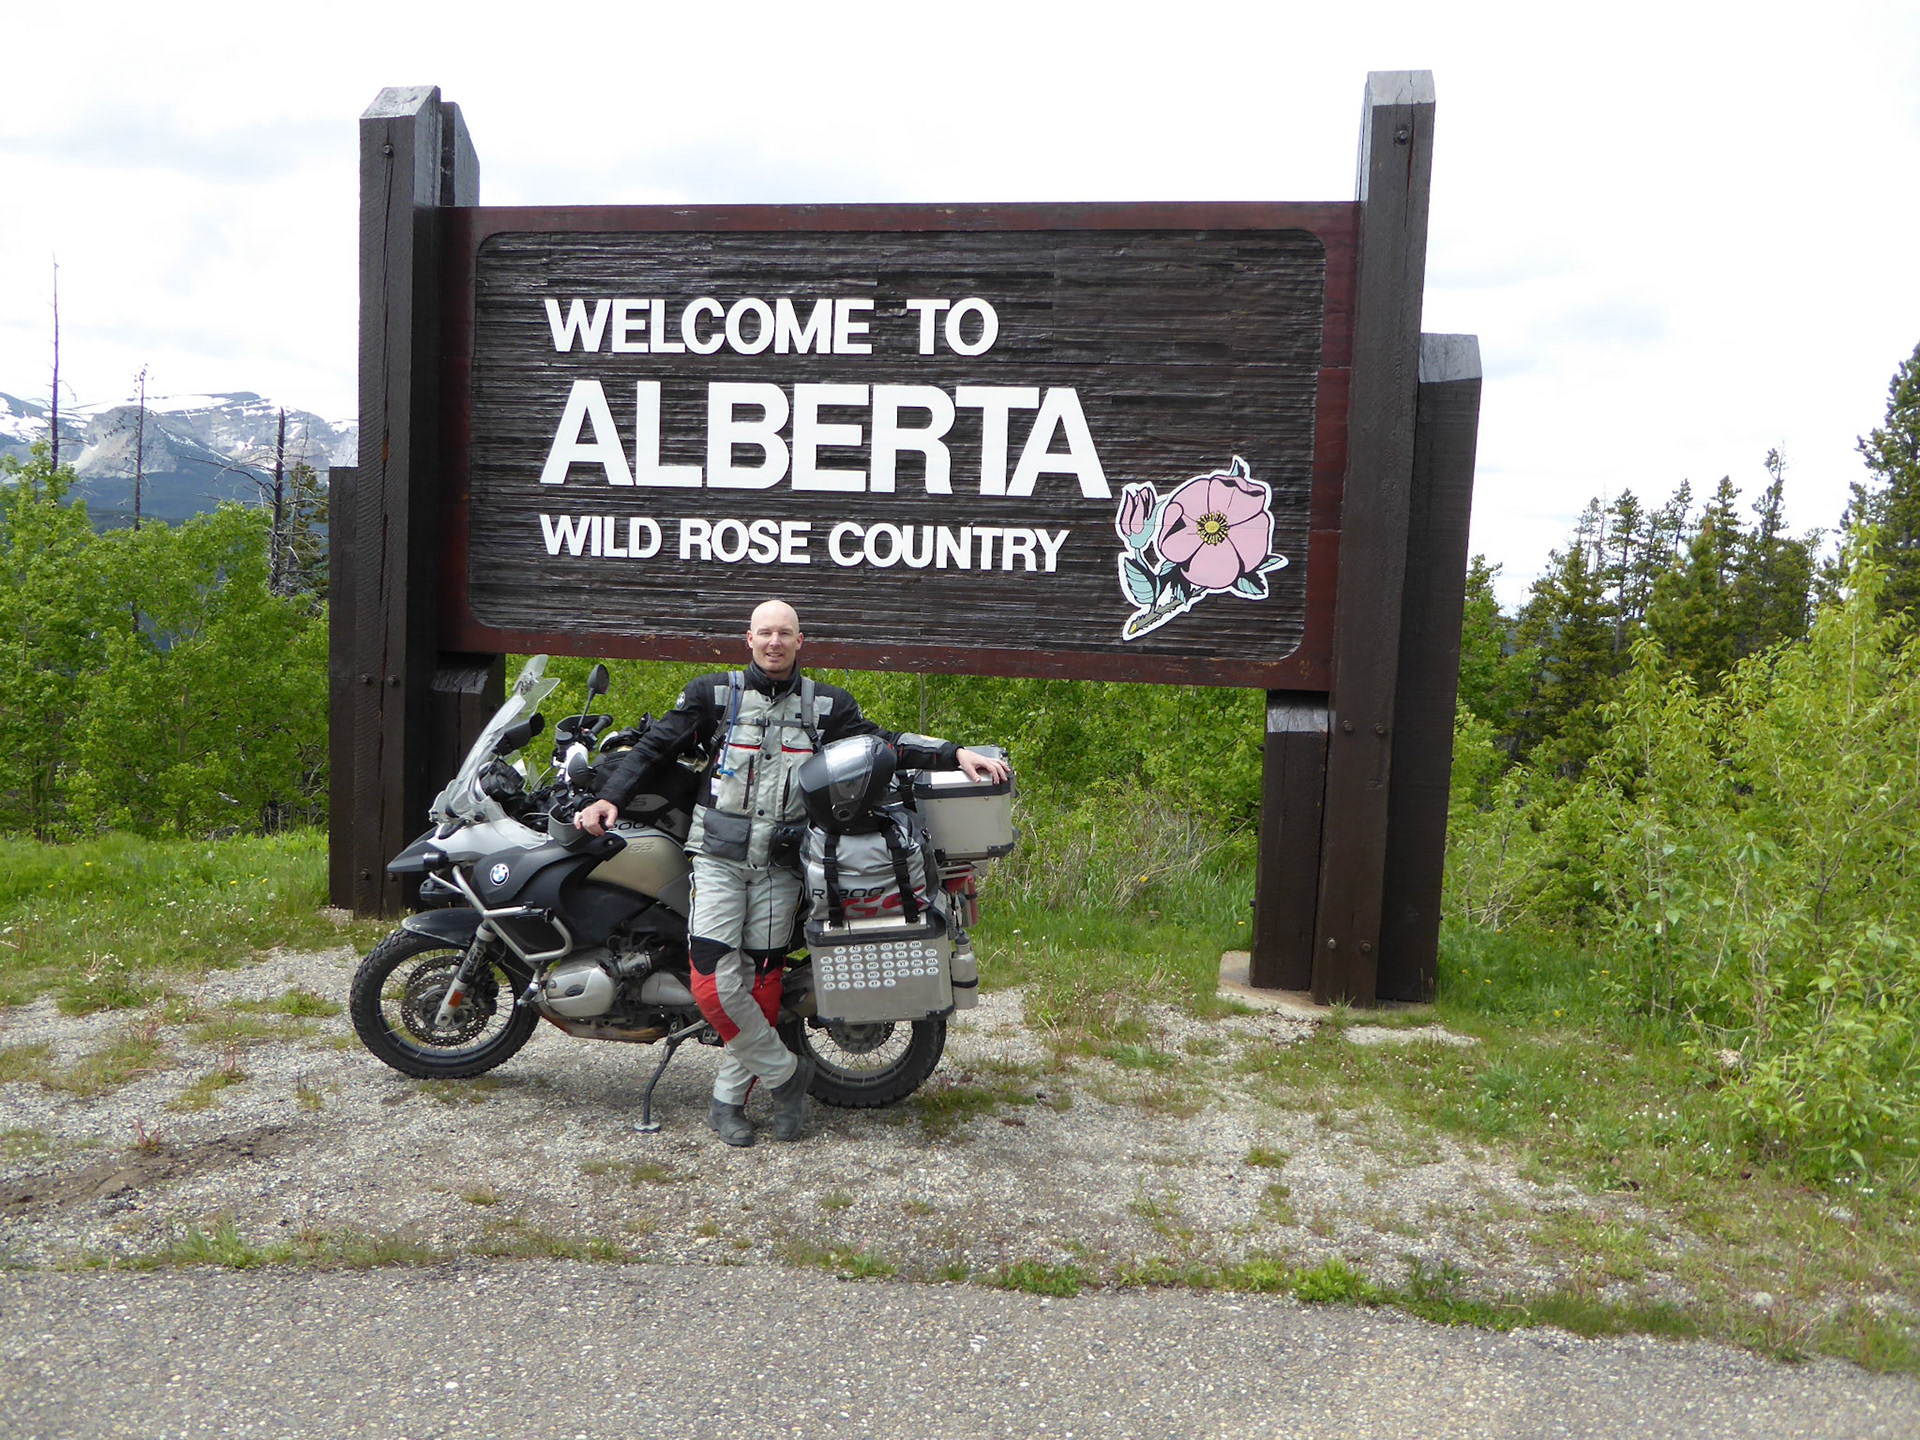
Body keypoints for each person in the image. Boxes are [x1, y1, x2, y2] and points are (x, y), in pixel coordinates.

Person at [574, 600, 1008, 1146]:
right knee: (712, 985)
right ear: (749, 639)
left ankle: (727, 1102)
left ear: (800, 641)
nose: (774, 642)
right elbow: (653, 749)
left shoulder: (827, 705)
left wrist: (955, 754)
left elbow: (884, 745)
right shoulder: (713, 695)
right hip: (718, 860)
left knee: (762, 987)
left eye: (784, 634)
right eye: (765, 633)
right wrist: (610, 798)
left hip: (782, 868)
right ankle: (785, 1073)